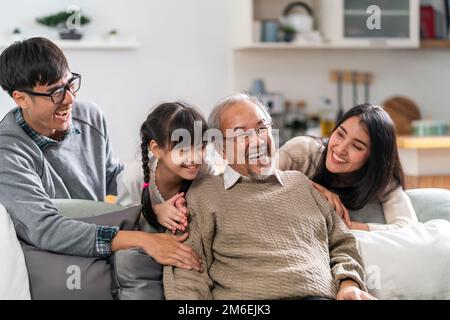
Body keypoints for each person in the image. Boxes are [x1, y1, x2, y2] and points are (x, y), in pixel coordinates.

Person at [0, 38, 202, 298]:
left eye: (70, 84)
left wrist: (154, 206)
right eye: (55, 92)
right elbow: (45, 229)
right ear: (21, 99)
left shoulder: (89, 116)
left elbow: (113, 180)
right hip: (51, 259)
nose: (70, 99)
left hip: (102, 241)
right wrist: (143, 240)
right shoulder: (8, 151)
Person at [163, 93, 375, 300]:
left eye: (261, 128)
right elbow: (187, 276)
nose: (257, 141)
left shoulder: (301, 185)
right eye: (241, 134)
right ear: (222, 150)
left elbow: (342, 244)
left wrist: (349, 285)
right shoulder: (203, 193)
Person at [278, 104, 418, 231]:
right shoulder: (304, 150)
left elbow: (408, 228)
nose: (340, 149)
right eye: (340, 134)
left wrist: (348, 226)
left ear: (373, 158)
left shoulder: (383, 180)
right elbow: (259, 174)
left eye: (356, 146)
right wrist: (315, 189)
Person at [116, 101, 217, 234]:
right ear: (156, 149)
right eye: (183, 149)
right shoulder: (133, 177)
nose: (195, 158)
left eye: (201, 147)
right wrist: (154, 212)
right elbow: (120, 225)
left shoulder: (206, 172)